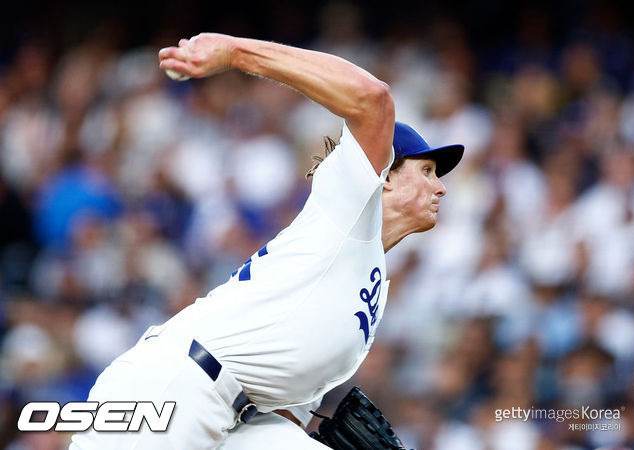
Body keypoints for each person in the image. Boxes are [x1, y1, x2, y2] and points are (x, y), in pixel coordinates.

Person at [70, 32, 463, 449]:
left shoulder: (369, 284)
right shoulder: (350, 205)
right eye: (427, 171)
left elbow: (286, 414)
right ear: (383, 177)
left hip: (232, 416)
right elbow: (373, 98)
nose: (440, 188)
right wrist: (235, 53)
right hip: (172, 389)